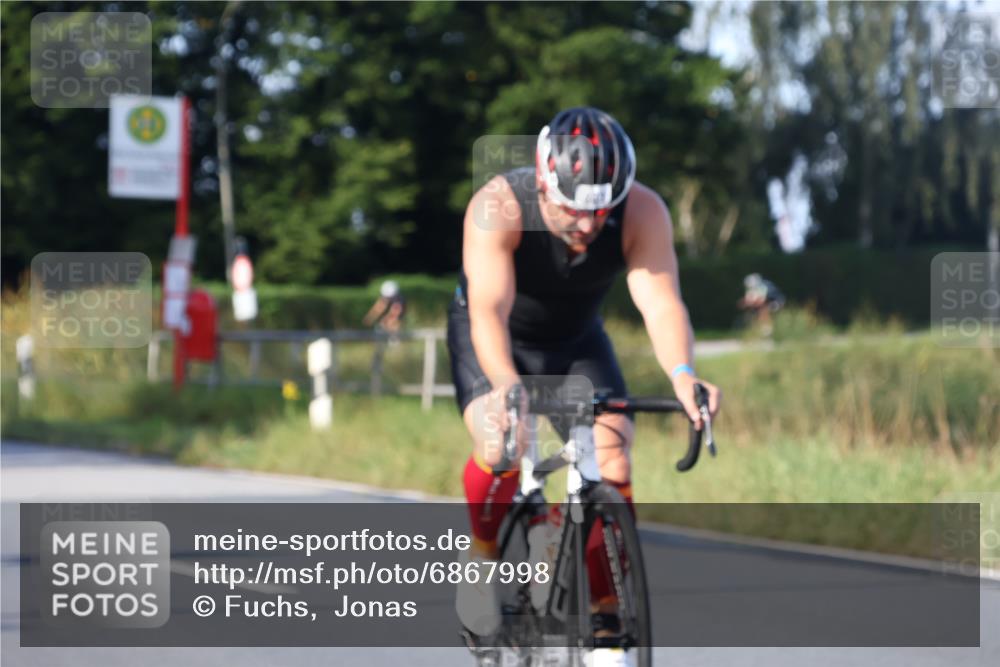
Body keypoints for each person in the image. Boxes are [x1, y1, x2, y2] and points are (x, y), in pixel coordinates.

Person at [447, 107, 722, 659]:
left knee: (613, 455)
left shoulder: (643, 211)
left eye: (604, 211)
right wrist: (506, 385)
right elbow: (488, 311)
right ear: (544, 181)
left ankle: (605, 623)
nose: (590, 226)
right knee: (501, 442)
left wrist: (684, 374)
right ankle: (480, 559)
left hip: (575, 340)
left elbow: (661, 301)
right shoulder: (498, 206)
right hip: (498, 337)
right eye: (574, 209)